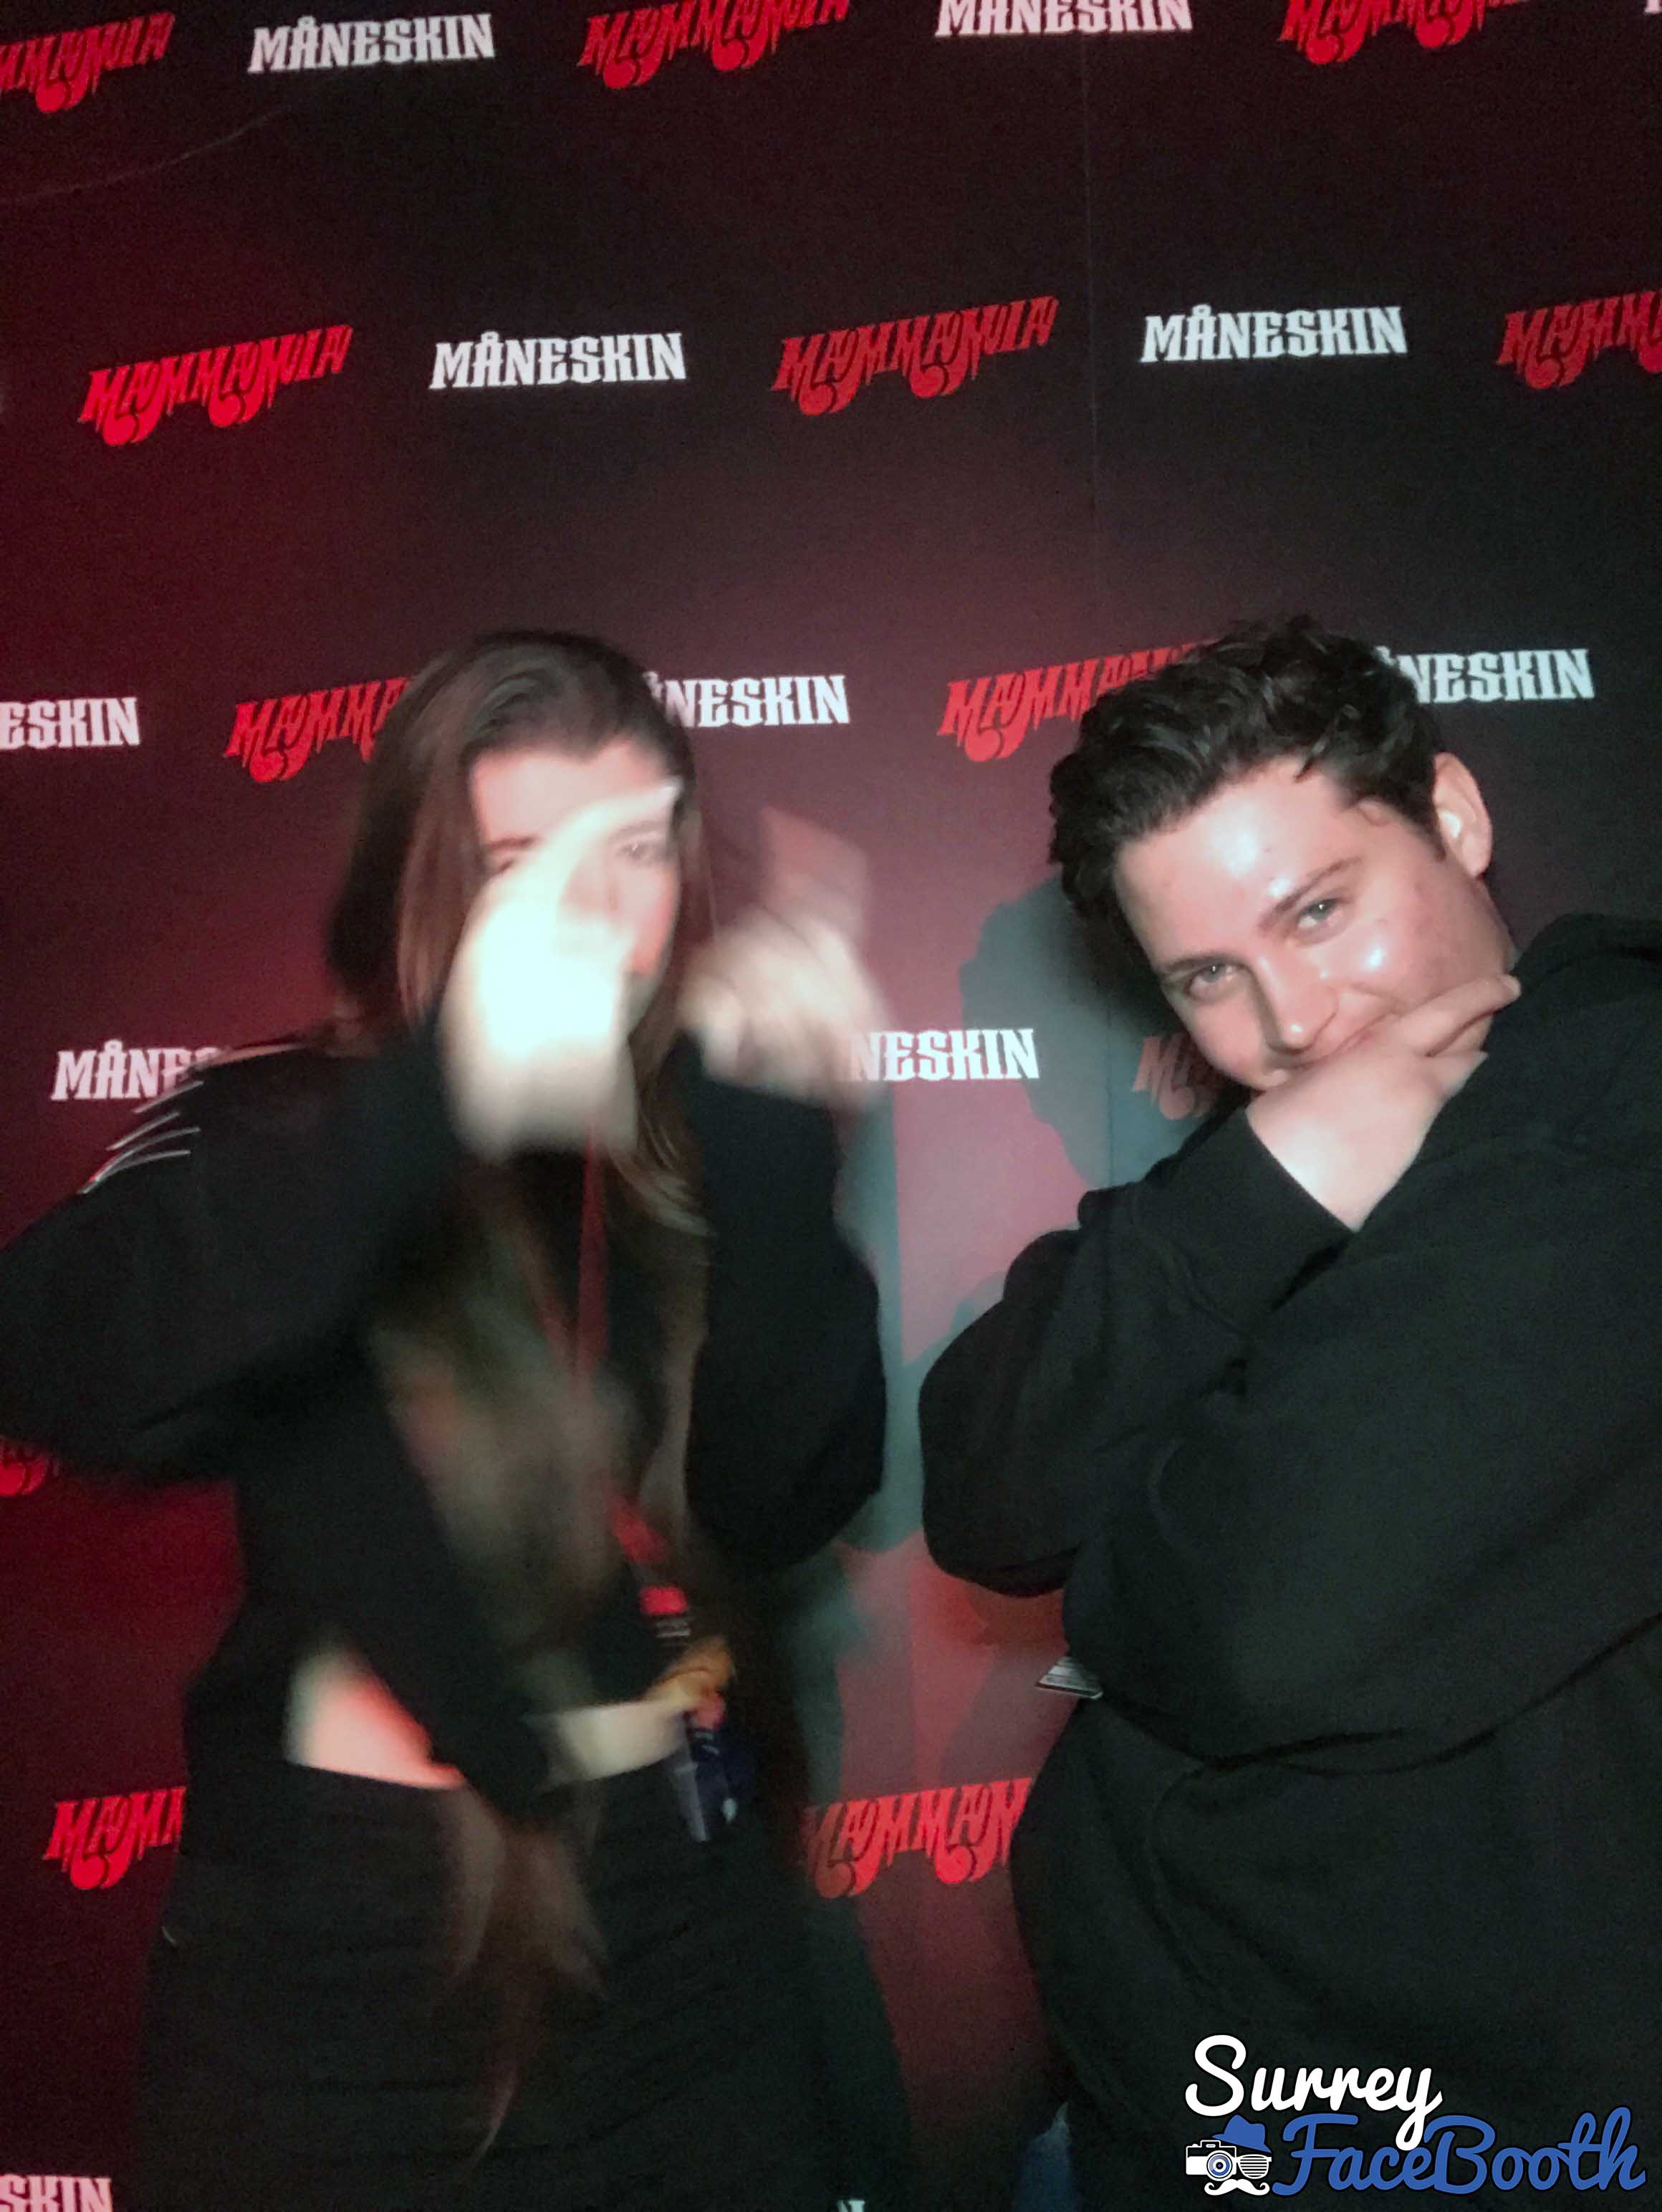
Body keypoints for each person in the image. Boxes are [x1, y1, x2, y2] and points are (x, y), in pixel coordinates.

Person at [0, 632, 888, 2212]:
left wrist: (776, 1151)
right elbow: (63, 1367)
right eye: (520, 862)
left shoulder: (695, 1141)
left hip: (687, 1913)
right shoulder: (283, 1122)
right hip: (359, 1953)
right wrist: (440, 1091)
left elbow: (784, 1501)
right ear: (427, 880)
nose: (591, 914)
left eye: (632, 853)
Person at [920, 619, 1662, 2206]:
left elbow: (1263, 1618)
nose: (1297, 1020)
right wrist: (1278, 1174)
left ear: (1452, 816)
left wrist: (1112, 1568)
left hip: (1480, 2135)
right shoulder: (1293, 1136)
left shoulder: (1620, 1093)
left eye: (1321, 910)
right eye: (1210, 978)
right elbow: (985, 1484)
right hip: (1186, 2110)